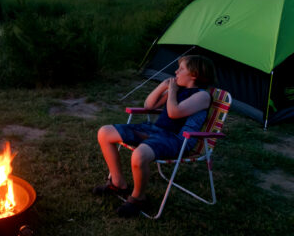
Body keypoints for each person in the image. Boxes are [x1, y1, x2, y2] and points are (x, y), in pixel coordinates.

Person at [92, 54, 216, 217]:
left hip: (176, 139)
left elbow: (174, 112)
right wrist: (163, 87)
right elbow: (149, 105)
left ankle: (138, 198)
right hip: (154, 131)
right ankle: (117, 182)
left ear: (194, 75)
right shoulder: (178, 89)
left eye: (181, 69)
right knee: (104, 132)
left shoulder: (202, 96)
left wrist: (171, 92)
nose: (176, 72)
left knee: (139, 155)